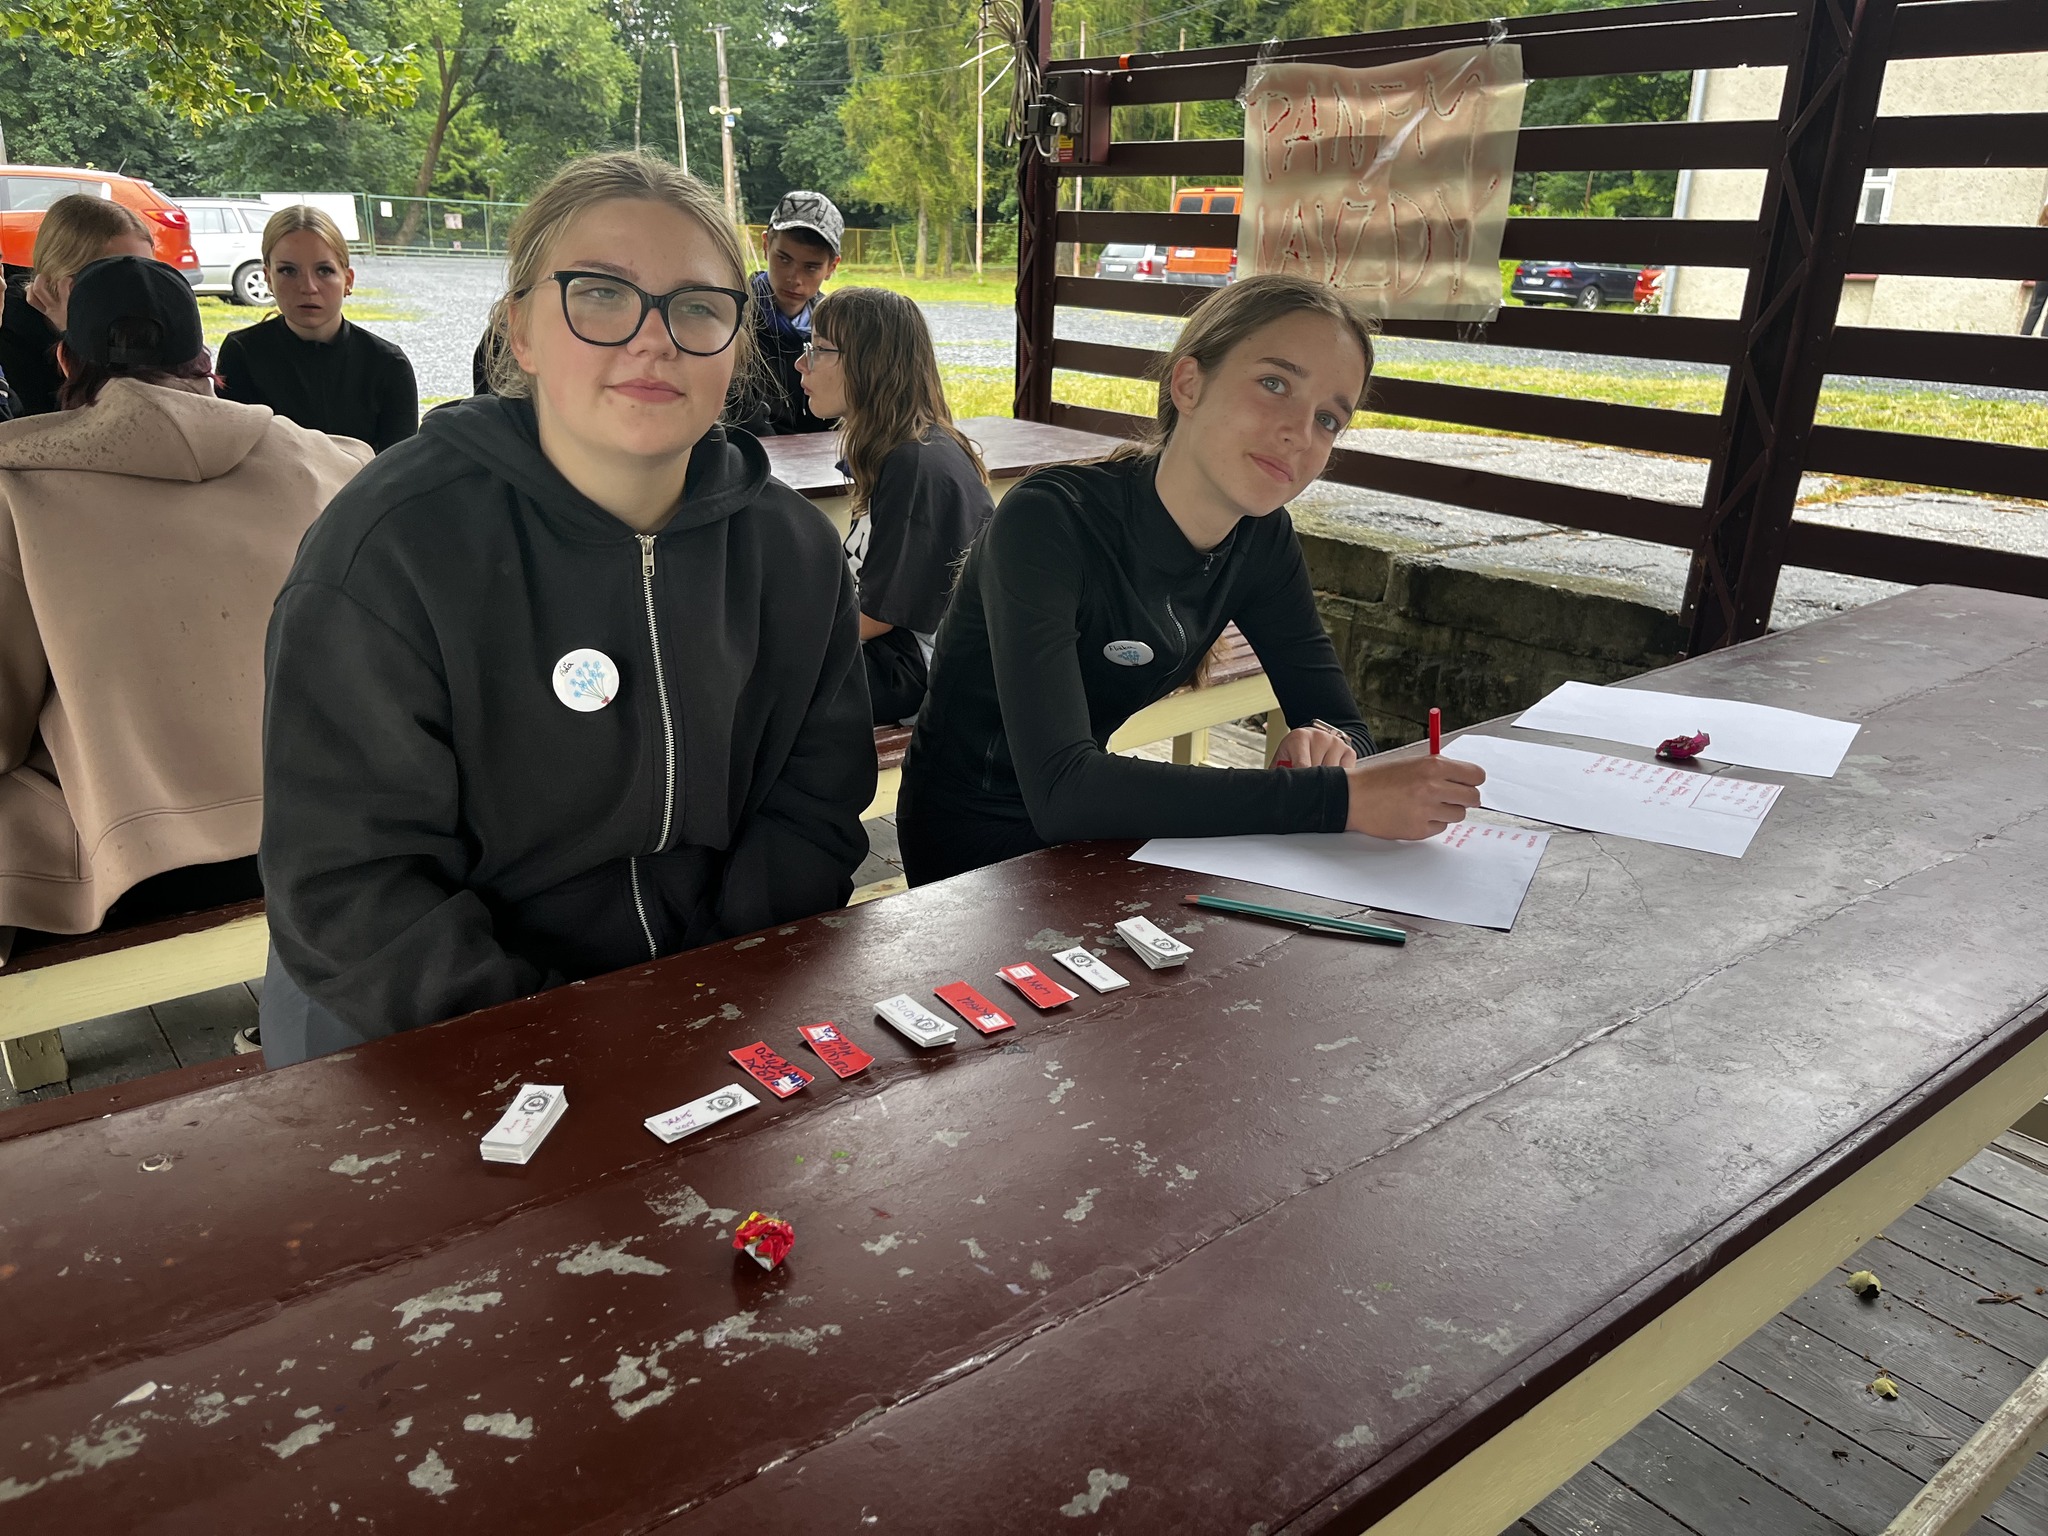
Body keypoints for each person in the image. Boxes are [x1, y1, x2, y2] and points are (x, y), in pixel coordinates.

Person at [258, 151, 875, 1067]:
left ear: (737, 342)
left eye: (697, 306)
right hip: (436, 1025)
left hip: (716, 1000)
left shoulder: (793, 553)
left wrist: (709, 995)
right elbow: (351, 886)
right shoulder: (390, 551)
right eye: (601, 294)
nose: (654, 340)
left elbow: (815, 801)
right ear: (522, 330)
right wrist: (560, 1045)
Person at [896, 274, 1487, 886]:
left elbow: (1345, 725)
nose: (1299, 433)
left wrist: (1328, 746)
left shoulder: (1262, 538)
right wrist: (1337, 800)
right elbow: (1063, 789)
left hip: (1097, 831)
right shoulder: (1048, 519)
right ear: (1188, 384)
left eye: (1329, 419)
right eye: (1274, 384)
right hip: (971, 847)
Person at [0, 256, 370, 938]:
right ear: (205, 361)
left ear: (65, 360)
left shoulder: (14, 491)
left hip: (149, 869)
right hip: (355, 826)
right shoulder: (333, 462)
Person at [797, 287, 994, 725]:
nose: (801, 363)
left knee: (760, 682)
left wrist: (782, 635)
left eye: (819, 350)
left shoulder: (914, 464)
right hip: (897, 654)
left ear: (870, 364)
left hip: (920, 670)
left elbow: (875, 618)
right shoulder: (896, 451)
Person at [217, 206, 420, 452]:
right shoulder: (242, 353)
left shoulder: (388, 364)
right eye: (288, 271)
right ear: (268, 278)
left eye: (324, 270)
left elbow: (400, 466)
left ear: (348, 280)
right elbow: (229, 453)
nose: (308, 287)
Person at [0, 195, 154, 418]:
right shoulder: (11, 336)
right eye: (120, 278)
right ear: (62, 278)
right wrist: (74, 336)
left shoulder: (145, 322)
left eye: (150, 273)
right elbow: (100, 421)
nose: (142, 291)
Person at [737, 190, 842, 436]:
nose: (794, 279)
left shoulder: (839, 330)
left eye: (811, 267)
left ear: (832, 267)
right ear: (766, 246)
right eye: (784, 260)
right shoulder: (733, 319)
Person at [2020, 205, 2048, 337]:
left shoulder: (2041, 230)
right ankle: (2044, 339)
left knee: (2035, 305)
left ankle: (2024, 336)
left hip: (2042, 271)